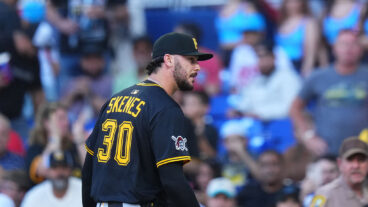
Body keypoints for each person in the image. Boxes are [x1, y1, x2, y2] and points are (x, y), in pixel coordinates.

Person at [82, 32, 213, 207]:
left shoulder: (114, 100)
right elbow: (172, 181)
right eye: (191, 60)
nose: (197, 67)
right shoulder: (165, 107)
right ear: (169, 60)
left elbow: (88, 170)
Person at [290, 29, 368, 156]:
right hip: (327, 152)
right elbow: (295, 108)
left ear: (361, 49)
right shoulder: (318, 76)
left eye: (354, 44)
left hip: (362, 152)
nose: (348, 49)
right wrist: (308, 136)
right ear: (334, 48)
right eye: (343, 44)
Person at [310, 137, 368, 207]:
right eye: (350, 160)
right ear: (340, 163)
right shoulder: (324, 194)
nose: (356, 166)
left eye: (361, 160)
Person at [275, 0, 321, 76]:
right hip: (280, 66)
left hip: (298, 65)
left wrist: (307, 69)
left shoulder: (308, 23)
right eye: (290, 1)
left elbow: (311, 51)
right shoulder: (281, 22)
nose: (293, 5)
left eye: (296, 1)